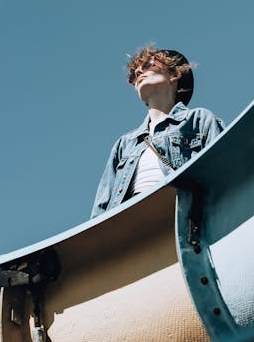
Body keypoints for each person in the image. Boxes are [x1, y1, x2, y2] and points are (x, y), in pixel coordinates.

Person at [91, 46, 224, 218]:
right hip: (131, 226)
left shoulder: (199, 119)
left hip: (182, 216)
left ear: (174, 74)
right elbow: (102, 207)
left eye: (148, 66)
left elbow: (223, 173)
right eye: (134, 75)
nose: (139, 73)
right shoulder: (125, 143)